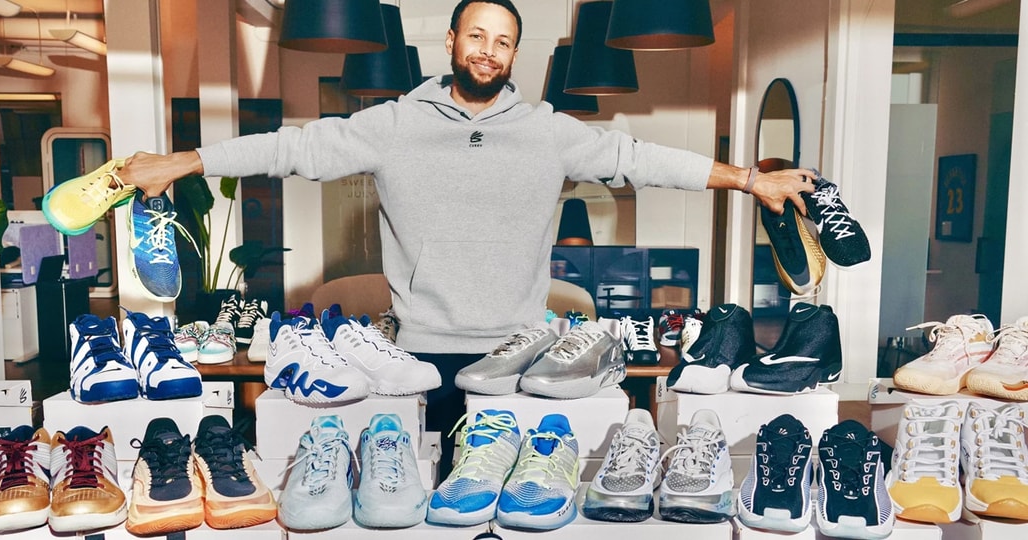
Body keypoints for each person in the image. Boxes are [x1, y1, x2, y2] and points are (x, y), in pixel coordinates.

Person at [119, 0, 815, 471]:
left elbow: (643, 160)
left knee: (521, 499)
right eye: (476, 36)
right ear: (451, 42)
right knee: (430, 501)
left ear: (515, 53)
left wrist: (751, 179)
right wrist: (184, 161)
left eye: (503, 41)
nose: (489, 51)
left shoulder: (547, 132)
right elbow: (289, 149)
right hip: (422, 353)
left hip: (520, 354)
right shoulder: (392, 124)